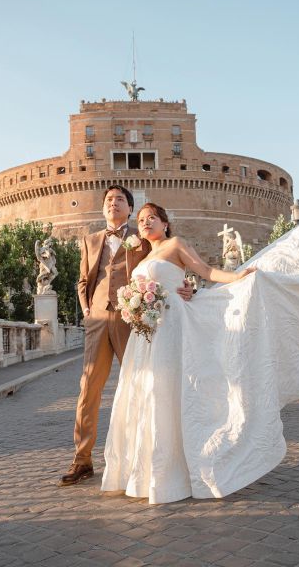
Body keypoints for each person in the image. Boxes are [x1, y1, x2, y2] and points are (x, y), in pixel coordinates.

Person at [101, 192, 299, 504]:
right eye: (141, 220)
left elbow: (205, 271)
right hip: (148, 335)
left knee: (171, 393)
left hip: (173, 329)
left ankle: (175, 473)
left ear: (165, 223)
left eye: (151, 218)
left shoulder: (175, 245)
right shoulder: (142, 258)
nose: (145, 223)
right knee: (147, 393)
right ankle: (144, 473)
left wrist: (237, 276)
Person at [60, 186, 193, 486]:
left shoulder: (142, 238)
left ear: (129, 209)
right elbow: (83, 281)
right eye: (108, 200)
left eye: (119, 199)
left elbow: (169, 263)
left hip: (132, 320)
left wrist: (188, 286)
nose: (113, 203)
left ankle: (143, 458)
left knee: (141, 386)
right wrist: (86, 310)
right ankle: (82, 460)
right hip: (96, 318)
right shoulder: (90, 240)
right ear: (103, 208)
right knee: (88, 388)